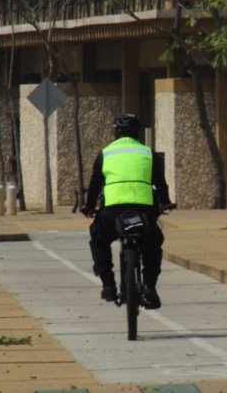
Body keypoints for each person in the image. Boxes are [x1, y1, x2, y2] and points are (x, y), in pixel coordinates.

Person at [81, 114, 174, 309]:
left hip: (112, 212)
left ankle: (108, 285)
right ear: (137, 133)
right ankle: (149, 287)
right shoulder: (148, 153)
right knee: (153, 243)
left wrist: (89, 206)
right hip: (143, 211)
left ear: (116, 132)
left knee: (98, 239)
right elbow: (160, 183)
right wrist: (165, 202)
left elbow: (95, 183)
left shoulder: (106, 153)